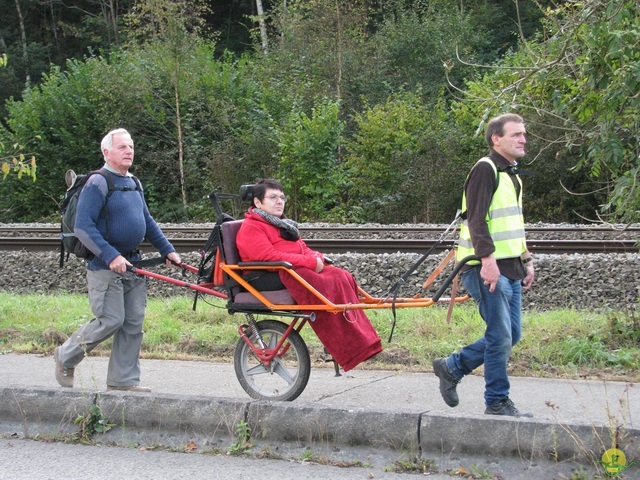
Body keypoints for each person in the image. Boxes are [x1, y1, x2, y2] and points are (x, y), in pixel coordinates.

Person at [54, 128, 182, 392]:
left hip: (133, 266)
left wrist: (167, 250)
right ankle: (66, 356)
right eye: (122, 147)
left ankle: (123, 382)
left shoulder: (134, 182)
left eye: (131, 146)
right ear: (106, 152)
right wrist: (111, 255)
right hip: (104, 266)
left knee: (133, 323)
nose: (129, 151)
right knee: (111, 320)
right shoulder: (97, 182)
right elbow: (83, 226)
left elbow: (147, 222)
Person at [433, 113, 535, 417]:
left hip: (511, 268)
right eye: (516, 134)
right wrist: (487, 261)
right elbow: (477, 220)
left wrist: (526, 259)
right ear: (496, 139)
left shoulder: (510, 174)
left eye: (523, 134)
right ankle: (497, 401)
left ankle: (452, 367)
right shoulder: (485, 169)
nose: (523, 139)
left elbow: (513, 224)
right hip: (486, 269)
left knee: (509, 335)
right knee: (501, 335)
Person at [235, 179, 382, 372]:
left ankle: (364, 342)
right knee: (318, 282)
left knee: (341, 275)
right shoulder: (252, 226)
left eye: (281, 197)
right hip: (264, 276)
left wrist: (316, 256)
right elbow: (267, 256)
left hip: (289, 269)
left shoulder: (282, 225)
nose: (279, 201)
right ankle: (347, 349)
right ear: (257, 203)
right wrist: (310, 262)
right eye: (273, 197)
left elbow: (302, 248)